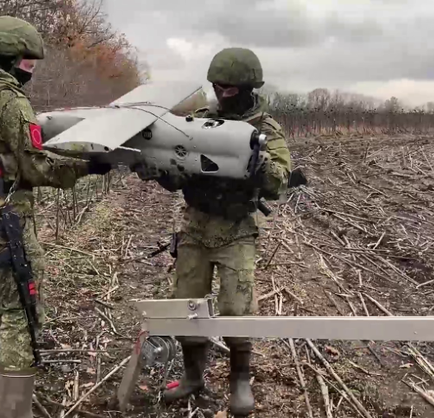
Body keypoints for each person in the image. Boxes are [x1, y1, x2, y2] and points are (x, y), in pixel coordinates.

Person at [0, 16, 110, 418]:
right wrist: (87, 166)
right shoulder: (9, 101)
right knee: (21, 310)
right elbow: (37, 168)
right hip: (6, 219)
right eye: (28, 60)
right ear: (11, 58)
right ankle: (14, 410)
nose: (31, 68)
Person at [155, 47, 292, 416]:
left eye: (228, 88)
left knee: (236, 307)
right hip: (196, 226)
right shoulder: (199, 120)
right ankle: (192, 376)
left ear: (248, 87)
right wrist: (162, 171)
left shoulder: (265, 129)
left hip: (236, 230)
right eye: (216, 87)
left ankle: (240, 381)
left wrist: (255, 158)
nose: (220, 94)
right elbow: (178, 167)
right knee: (188, 303)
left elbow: (279, 180)